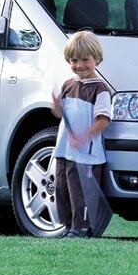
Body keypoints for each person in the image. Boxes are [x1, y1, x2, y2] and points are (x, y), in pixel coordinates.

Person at [51, 29, 113, 238]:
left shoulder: (100, 89)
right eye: (74, 60)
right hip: (65, 149)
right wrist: (56, 106)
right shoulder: (69, 85)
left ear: (97, 59)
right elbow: (60, 114)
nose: (79, 65)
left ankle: (82, 227)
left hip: (86, 153)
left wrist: (84, 136)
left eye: (85, 60)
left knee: (81, 191)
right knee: (62, 188)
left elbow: (103, 119)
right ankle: (68, 226)